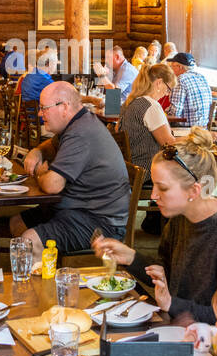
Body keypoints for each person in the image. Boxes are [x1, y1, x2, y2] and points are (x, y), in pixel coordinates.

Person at [93, 129, 217, 325]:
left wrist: (172, 304)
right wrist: (130, 257)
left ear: (194, 190)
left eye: (163, 188)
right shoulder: (179, 217)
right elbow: (167, 275)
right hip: (180, 328)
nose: (153, 196)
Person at [11, 81, 130, 258]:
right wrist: (38, 151)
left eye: (44, 108)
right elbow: (51, 145)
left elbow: (53, 186)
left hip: (100, 222)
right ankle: (44, 274)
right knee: (17, 222)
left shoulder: (80, 132)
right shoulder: (76, 123)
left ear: (64, 107)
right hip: (76, 209)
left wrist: (41, 173)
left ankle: (43, 283)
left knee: (30, 240)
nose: (39, 113)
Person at [119, 63, 176, 181]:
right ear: (159, 83)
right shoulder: (151, 105)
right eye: (168, 89)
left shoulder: (129, 103)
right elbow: (169, 143)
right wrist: (195, 137)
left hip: (130, 168)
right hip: (147, 171)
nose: (167, 94)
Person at [167, 52, 213, 127]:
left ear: (180, 67)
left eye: (172, 66)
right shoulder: (202, 77)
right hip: (203, 129)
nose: (171, 69)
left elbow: (175, 113)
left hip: (188, 130)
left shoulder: (180, 80)